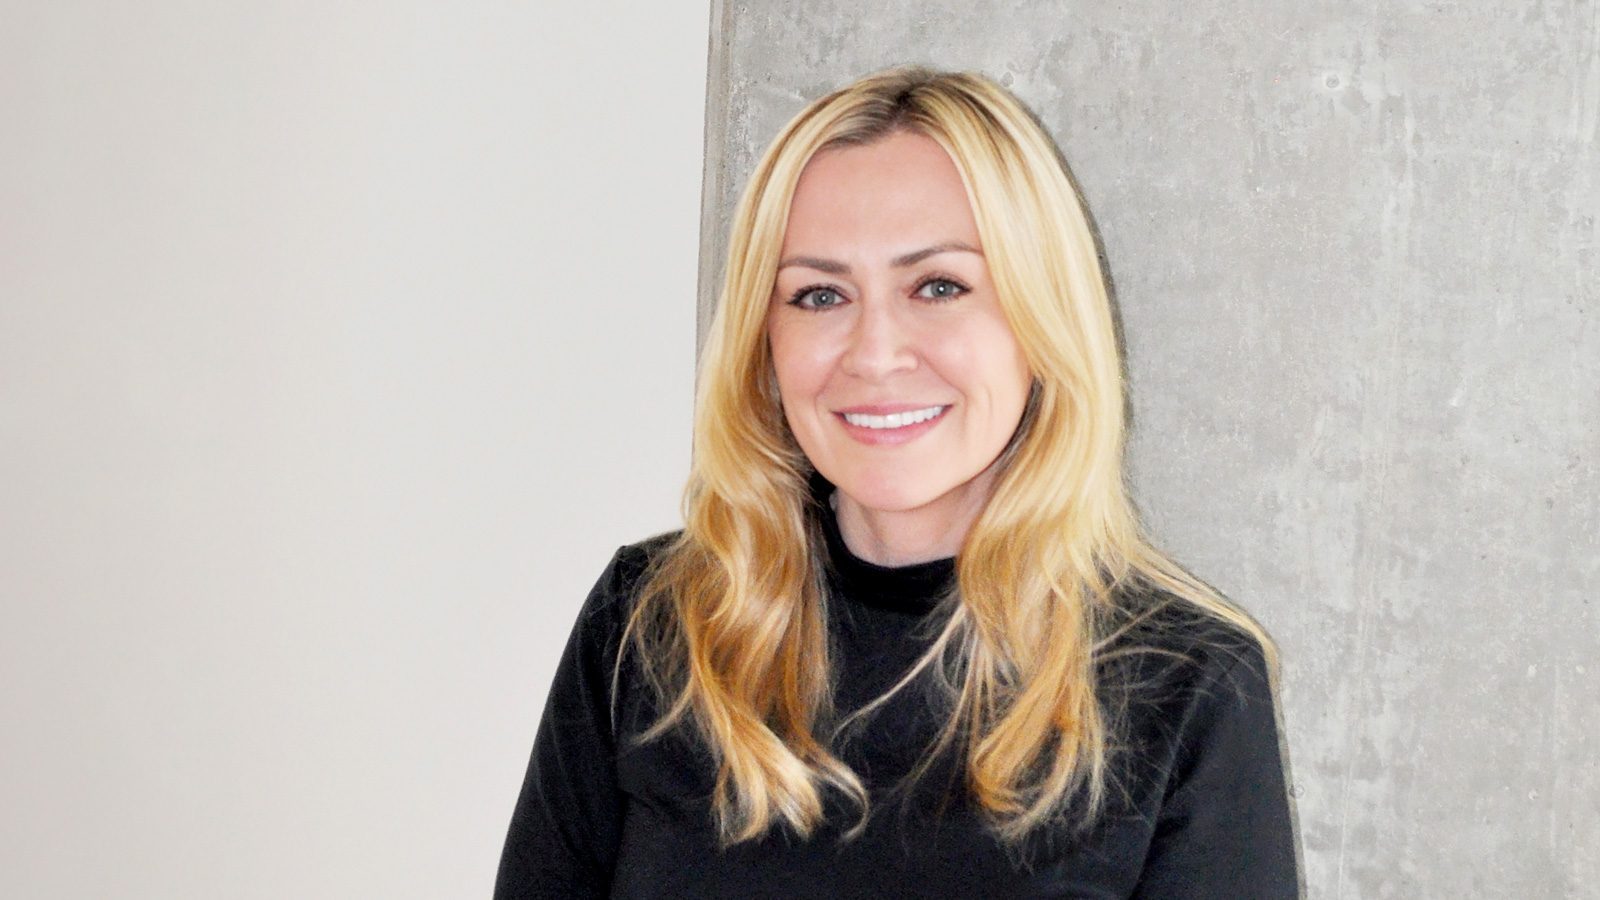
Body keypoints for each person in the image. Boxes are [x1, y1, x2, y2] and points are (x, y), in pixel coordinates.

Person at [494, 65, 1300, 899]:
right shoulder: (651, 622)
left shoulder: (1187, 686)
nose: (875, 353)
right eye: (817, 294)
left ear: (1041, 318)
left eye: (939, 286)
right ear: (762, 341)